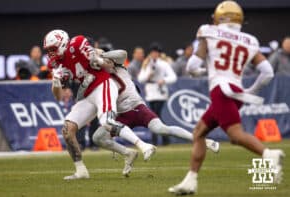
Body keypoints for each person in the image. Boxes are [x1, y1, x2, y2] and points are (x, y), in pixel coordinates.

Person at [168, 1, 285, 195]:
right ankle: (190, 181)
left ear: (218, 17)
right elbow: (267, 72)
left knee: (235, 136)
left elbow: (191, 66)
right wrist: (249, 90)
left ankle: (269, 154)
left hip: (221, 91)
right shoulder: (249, 40)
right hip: (235, 91)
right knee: (199, 133)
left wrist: (203, 70)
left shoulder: (209, 32)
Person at [43, 30, 155, 180]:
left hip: (103, 84)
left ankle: (143, 145)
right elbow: (59, 96)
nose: (51, 53)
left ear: (63, 43)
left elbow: (105, 63)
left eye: (53, 48)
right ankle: (81, 170)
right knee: (67, 130)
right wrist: (56, 84)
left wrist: (97, 59)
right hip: (88, 94)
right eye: (48, 50)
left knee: (107, 122)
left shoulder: (76, 44)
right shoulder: (57, 64)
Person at [91, 63, 220, 160]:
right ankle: (128, 153)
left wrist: (99, 56)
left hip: (137, 109)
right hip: (122, 115)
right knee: (98, 137)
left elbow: (120, 54)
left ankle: (203, 140)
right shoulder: (99, 79)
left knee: (161, 129)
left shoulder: (119, 68)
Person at [138, 42, 177, 145]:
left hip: (160, 91)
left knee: (156, 115)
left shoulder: (164, 64)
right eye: (153, 52)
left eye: (156, 52)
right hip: (150, 92)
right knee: (155, 115)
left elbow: (173, 77)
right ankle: (163, 139)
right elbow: (140, 79)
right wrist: (148, 75)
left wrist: (163, 80)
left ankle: (158, 139)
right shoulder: (146, 63)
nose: (154, 54)